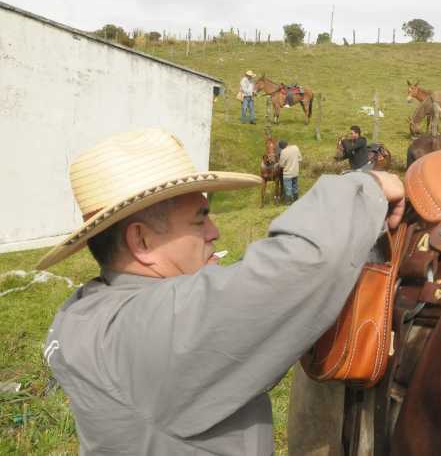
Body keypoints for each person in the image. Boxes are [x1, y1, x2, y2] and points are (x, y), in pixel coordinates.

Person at [39, 128, 405, 455]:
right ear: (142, 240)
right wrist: (364, 187)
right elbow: (300, 267)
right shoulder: (149, 331)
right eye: (200, 218)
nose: (214, 231)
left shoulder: (86, 313)